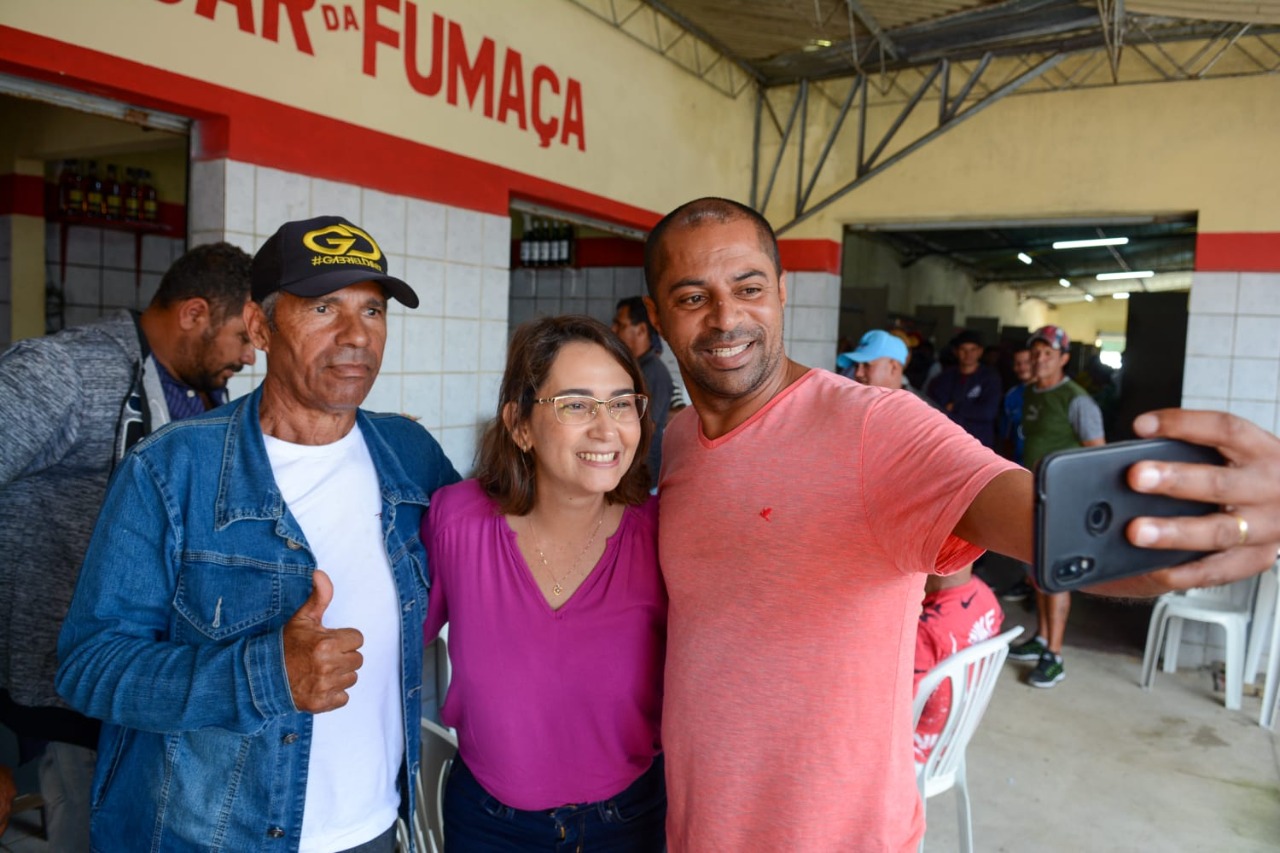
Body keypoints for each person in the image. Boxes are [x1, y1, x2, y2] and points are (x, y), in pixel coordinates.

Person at [641, 197, 1280, 851]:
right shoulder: (679, 440)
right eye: (693, 298)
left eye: (748, 288)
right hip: (695, 828)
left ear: (780, 291)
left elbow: (1041, 522)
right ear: (657, 316)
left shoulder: (873, 427)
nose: (726, 318)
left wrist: (1183, 524)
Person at [55, 215, 459, 852]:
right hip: (209, 836)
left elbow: (493, 561)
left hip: (374, 828)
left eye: (374, 311)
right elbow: (89, 666)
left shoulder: (410, 456)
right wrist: (265, 675)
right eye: (325, 307)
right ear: (260, 326)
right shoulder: (171, 469)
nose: (357, 335)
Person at [0, 241, 254, 851]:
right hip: (69, 701)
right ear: (194, 313)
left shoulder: (206, 396)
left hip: (159, 695)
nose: (250, 356)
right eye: (242, 337)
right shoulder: (63, 374)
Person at [424, 315, 666, 851]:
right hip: (488, 822)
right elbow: (396, 641)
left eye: (622, 403)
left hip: (629, 820)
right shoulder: (457, 521)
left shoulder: (663, 537)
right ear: (520, 425)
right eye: (576, 404)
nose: (607, 429)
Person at [1006, 325, 1106, 688]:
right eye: (1036, 353)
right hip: (1035, 498)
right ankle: (1042, 637)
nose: (1039, 359)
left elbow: (1098, 456)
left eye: (1048, 353)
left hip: (1064, 500)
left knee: (1057, 575)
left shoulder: (1077, 400)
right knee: (1038, 572)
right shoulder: (1030, 394)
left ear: (1064, 359)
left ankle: (1055, 655)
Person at [613, 296, 674, 489]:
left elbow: (648, 426)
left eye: (620, 325)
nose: (613, 330)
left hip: (642, 479)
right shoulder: (636, 369)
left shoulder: (652, 372)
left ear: (640, 330)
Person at [927, 329, 1002, 447]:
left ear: (980, 351)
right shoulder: (943, 378)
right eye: (963, 349)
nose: (968, 354)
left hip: (980, 444)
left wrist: (956, 407)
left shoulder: (990, 378)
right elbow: (935, 409)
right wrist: (970, 410)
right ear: (956, 352)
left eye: (973, 349)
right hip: (948, 442)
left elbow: (988, 412)